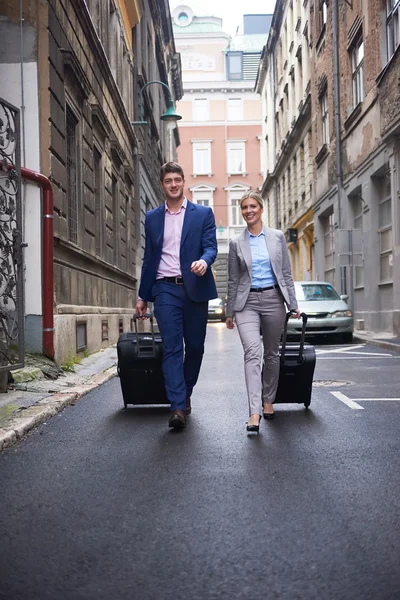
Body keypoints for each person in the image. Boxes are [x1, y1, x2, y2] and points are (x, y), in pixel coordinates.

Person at [136, 162, 218, 429]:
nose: (173, 184)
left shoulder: (203, 214)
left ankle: (185, 391)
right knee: (172, 348)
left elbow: (210, 247)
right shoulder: (152, 218)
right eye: (168, 180)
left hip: (195, 286)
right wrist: (143, 296)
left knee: (195, 347)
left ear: (184, 182)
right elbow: (149, 258)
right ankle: (177, 407)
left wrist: (204, 262)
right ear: (162, 184)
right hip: (165, 288)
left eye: (177, 180)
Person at [225, 191, 301, 433]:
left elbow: (286, 274)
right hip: (246, 303)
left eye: (253, 206)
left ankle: (269, 400)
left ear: (261, 209)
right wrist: (229, 311)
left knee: (271, 354)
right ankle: (254, 412)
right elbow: (233, 280)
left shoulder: (277, 237)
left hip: (273, 299)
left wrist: (293, 304)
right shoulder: (236, 243)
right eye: (245, 207)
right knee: (252, 353)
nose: (249, 211)